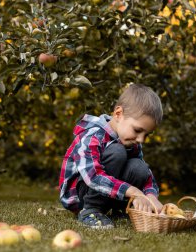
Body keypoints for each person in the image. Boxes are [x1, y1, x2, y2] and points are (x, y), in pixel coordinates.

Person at [59, 83, 164, 229]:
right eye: (138, 130)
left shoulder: (131, 141)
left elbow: (146, 174)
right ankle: (90, 210)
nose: (141, 139)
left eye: (146, 134)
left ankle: (118, 209)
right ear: (118, 114)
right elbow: (93, 176)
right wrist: (133, 191)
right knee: (117, 152)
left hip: (109, 192)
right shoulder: (93, 135)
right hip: (82, 194)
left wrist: (151, 196)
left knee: (139, 166)